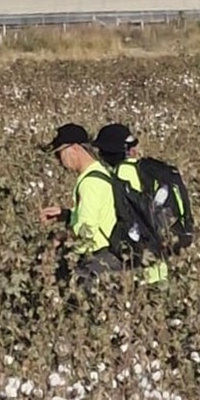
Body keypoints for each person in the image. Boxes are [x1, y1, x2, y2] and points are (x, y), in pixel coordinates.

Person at [39, 123, 125, 288]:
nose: (58, 161)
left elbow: (87, 231)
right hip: (110, 260)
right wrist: (67, 214)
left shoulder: (90, 183)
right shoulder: (100, 173)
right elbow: (96, 214)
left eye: (59, 154)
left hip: (99, 263)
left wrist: (59, 239)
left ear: (75, 149)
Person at [92, 123, 168, 284]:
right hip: (159, 262)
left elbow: (131, 215)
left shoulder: (123, 172)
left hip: (144, 266)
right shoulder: (145, 169)